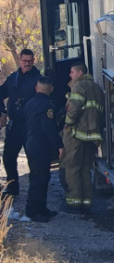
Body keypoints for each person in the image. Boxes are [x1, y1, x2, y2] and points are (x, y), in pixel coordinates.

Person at [62, 62, 104, 212]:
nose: (70, 75)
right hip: (91, 136)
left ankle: (74, 203)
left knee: (72, 168)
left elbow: (74, 109)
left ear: (80, 73)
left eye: (72, 72)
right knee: (86, 169)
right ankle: (87, 202)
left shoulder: (79, 86)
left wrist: (68, 124)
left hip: (77, 134)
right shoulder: (96, 88)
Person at [0, 49, 42, 196]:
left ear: (33, 61)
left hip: (31, 126)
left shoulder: (39, 79)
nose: (27, 64)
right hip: (15, 125)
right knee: (8, 157)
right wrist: (2, 111)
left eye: (30, 61)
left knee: (34, 160)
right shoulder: (13, 78)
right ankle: (12, 188)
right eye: (24, 61)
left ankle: (35, 192)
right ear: (19, 60)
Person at [24, 77, 63, 222]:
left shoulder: (30, 103)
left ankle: (41, 208)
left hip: (31, 143)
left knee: (41, 177)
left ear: (36, 88)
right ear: (51, 89)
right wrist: (59, 145)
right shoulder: (47, 106)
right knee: (39, 178)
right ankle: (33, 211)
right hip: (40, 146)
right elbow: (49, 129)